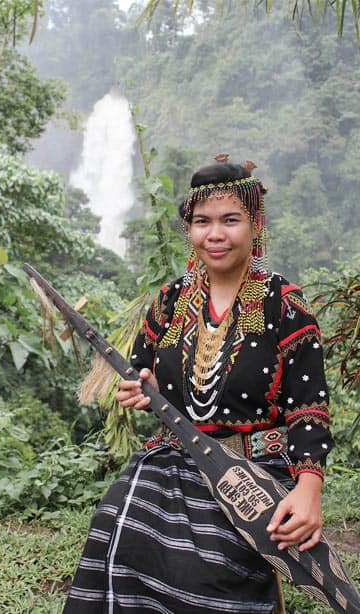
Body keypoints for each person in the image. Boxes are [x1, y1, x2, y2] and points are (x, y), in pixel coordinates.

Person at [64, 156, 333, 613]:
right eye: (202, 222)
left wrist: (308, 490)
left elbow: (308, 407)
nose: (215, 234)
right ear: (189, 228)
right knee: (116, 527)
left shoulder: (283, 304)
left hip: (252, 469)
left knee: (203, 569)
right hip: (173, 459)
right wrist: (139, 391)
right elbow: (140, 373)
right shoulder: (170, 301)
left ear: (256, 223)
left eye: (230, 220)